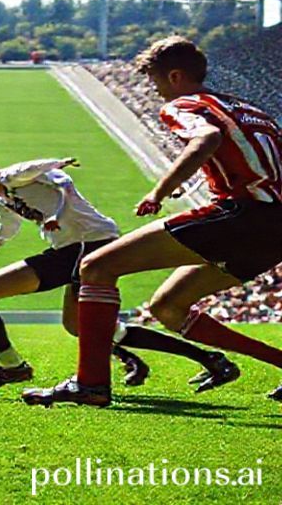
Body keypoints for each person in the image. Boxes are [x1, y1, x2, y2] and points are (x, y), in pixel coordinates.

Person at [23, 36, 282, 407]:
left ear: (175, 76)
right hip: (275, 228)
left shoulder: (185, 104)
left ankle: (90, 384)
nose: (157, 93)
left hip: (242, 215)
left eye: (156, 82)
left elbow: (205, 138)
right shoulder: (248, 109)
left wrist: (160, 191)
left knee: (95, 267)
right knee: (169, 307)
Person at [0, 151, 235, 394]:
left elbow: (61, 181)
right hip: (71, 251)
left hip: (90, 245)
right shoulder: (3, 198)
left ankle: (12, 367)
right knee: (79, 326)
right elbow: (7, 230)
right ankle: (204, 359)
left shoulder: (14, 175)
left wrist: (59, 172)